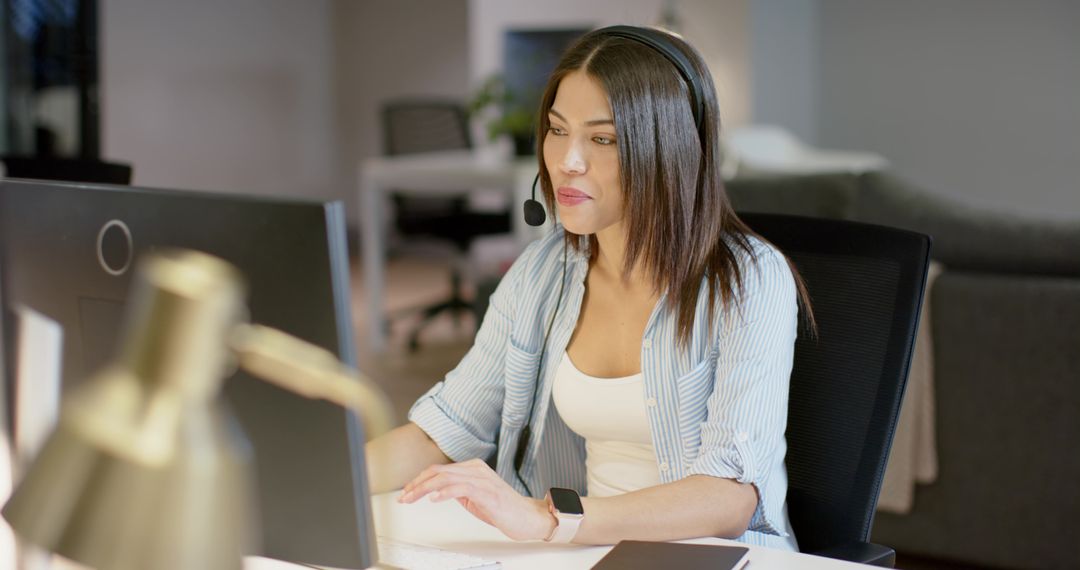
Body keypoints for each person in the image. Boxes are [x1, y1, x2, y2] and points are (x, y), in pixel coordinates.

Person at [365, 25, 811, 551]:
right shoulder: (543, 270)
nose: (566, 161)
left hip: (713, 557)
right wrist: (310, 476)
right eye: (557, 130)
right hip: (587, 553)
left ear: (666, 150)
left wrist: (550, 519)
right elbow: (445, 428)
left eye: (602, 139)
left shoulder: (749, 279)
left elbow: (729, 498)